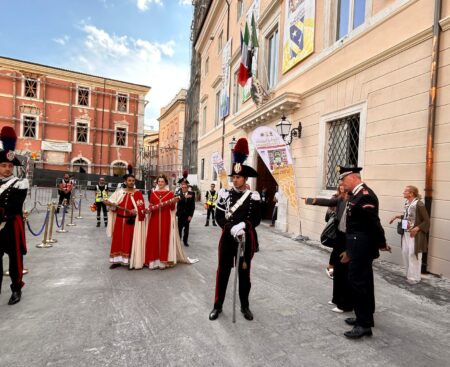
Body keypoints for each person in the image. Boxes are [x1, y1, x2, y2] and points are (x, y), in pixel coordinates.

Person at [209, 138, 261, 322]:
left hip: (245, 239)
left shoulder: (254, 196)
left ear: (245, 179)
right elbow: (218, 217)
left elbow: (256, 219)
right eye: (233, 177)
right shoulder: (224, 194)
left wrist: (244, 226)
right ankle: (217, 306)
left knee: (244, 274)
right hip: (228, 238)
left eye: (238, 177)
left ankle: (245, 306)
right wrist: (231, 228)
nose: (234, 179)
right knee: (222, 272)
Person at [339, 166, 390, 339]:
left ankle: (363, 325)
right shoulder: (357, 195)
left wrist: (381, 243)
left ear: (353, 178)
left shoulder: (365, 196)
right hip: (357, 245)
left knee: (359, 283)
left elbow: (373, 223)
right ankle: (365, 317)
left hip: (362, 247)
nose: (342, 184)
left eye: (344, 180)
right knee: (364, 282)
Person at [303, 183, 353, 313]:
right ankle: (336, 298)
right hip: (339, 237)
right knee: (337, 270)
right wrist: (311, 200)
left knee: (344, 272)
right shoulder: (341, 198)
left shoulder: (355, 200)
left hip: (348, 240)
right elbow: (328, 202)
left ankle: (344, 304)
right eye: (341, 186)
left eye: (345, 186)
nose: (343, 188)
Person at [0, 126, 28, 305]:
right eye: (3, 165)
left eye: (10, 166)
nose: (7, 169)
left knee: (15, 261)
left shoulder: (20, 183)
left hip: (11, 225)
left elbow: (14, 205)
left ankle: (16, 289)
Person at [389, 185, 430, 284]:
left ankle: (415, 278)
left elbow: (427, 221)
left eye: (405, 191)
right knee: (405, 253)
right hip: (406, 233)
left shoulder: (419, 204)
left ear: (411, 193)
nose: (403, 192)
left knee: (413, 254)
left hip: (414, 234)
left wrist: (417, 228)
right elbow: (408, 216)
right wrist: (397, 216)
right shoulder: (407, 203)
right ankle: (408, 274)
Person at [105, 174, 146, 269]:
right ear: (125, 182)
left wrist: (135, 211)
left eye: (133, 180)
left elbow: (141, 208)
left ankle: (130, 262)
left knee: (129, 241)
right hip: (119, 220)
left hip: (130, 221)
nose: (131, 182)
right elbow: (112, 204)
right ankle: (116, 261)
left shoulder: (138, 193)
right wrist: (110, 203)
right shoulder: (119, 192)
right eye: (129, 180)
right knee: (117, 240)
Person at [144, 174, 180, 269]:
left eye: (162, 181)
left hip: (165, 218)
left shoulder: (170, 194)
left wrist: (173, 202)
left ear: (165, 183)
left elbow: (172, 208)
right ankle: (153, 262)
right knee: (153, 238)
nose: (160, 183)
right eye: (159, 181)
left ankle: (162, 262)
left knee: (164, 238)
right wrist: (148, 209)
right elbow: (151, 205)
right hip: (154, 218)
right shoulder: (153, 193)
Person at [176, 180, 195, 246]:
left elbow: (193, 206)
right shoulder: (179, 193)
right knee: (179, 229)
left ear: (187, 188)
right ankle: (178, 241)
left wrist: (191, 215)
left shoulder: (192, 194)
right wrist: (184, 197)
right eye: (182, 187)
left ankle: (185, 241)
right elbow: (177, 200)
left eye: (185, 187)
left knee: (186, 229)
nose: (183, 188)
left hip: (187, 215)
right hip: (180, 214)